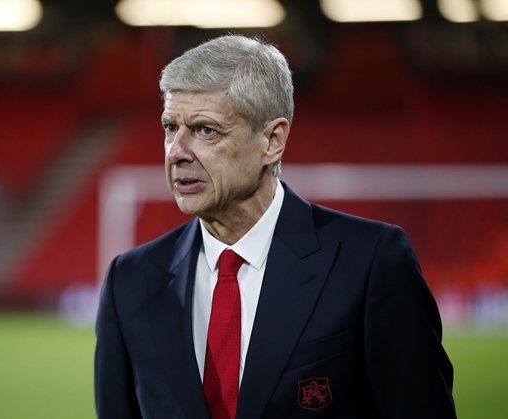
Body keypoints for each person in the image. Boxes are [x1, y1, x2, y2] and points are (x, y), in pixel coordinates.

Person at [94, 34, 456, 419]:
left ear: (272, 140)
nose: (177, 151)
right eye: (170, 127)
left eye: (205, 130)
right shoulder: (130, 281)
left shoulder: (370, 263)